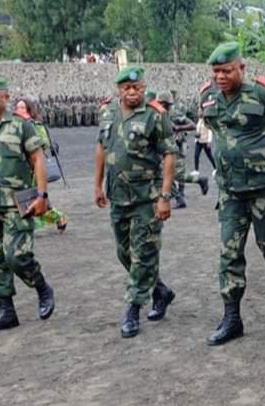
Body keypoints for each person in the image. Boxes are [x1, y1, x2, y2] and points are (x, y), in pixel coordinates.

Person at [200, 42, 265, 346]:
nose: (221, 76)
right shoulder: (207, 97)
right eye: (216, 71)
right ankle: (232, 317)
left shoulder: (262, 94)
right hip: (231, 192)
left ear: (241, 68)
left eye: (227, 70)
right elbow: (213, 130)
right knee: (229, 254)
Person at [0, 76, 56, 334]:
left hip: (18, 203)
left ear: (5, 98)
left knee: (17, 256)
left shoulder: (20, 126)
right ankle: (6, 311)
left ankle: (42, 287)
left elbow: (38, 159)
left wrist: (42, 195)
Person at [94, 66, 177, 338]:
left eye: (137, 87)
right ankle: (160, 291)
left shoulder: (155, 115)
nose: (132, 92)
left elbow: (168, 155)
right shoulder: (107, 113)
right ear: (119, 89)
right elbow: (101, 148)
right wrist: (97, 184)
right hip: (118, 195)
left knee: (143, 253)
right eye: (126, 88)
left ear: (143, 88)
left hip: (147, 198)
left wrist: (164, 196)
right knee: (124, 252)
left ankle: (133, 307)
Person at [14, 98, 69, 233]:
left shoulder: (35, 125)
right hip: (20, 168)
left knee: (35, 197)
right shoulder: (14, 125)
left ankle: (58, 218)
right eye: (17, 108)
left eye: (22, 108)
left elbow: (44, 143)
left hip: (34, 168)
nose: (19, 110)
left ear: (29, 110)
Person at [156, 92, 209, 209]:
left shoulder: (174, 114)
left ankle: (198, 181)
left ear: (164, 104)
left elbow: (192, 125)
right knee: (166, 175)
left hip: (176, 148)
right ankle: (179, 198)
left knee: (175, 175)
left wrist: (178, 128)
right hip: (164, 149)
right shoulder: (159, 113)